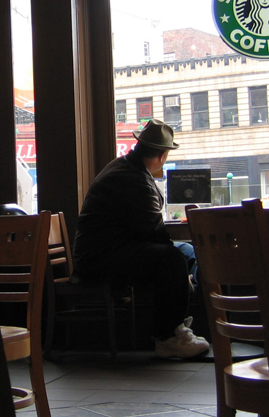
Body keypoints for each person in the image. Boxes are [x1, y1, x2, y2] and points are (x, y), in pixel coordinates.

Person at [73, 119, 209, 359]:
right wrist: (180, 274)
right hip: (101, 259)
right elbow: (154, 233)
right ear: (163, 154)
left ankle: (180, 321)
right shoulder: (135, 180)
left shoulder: (125, 167)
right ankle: (167, 337)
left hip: (104, 252)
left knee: (186, 251)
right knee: (173, 259)